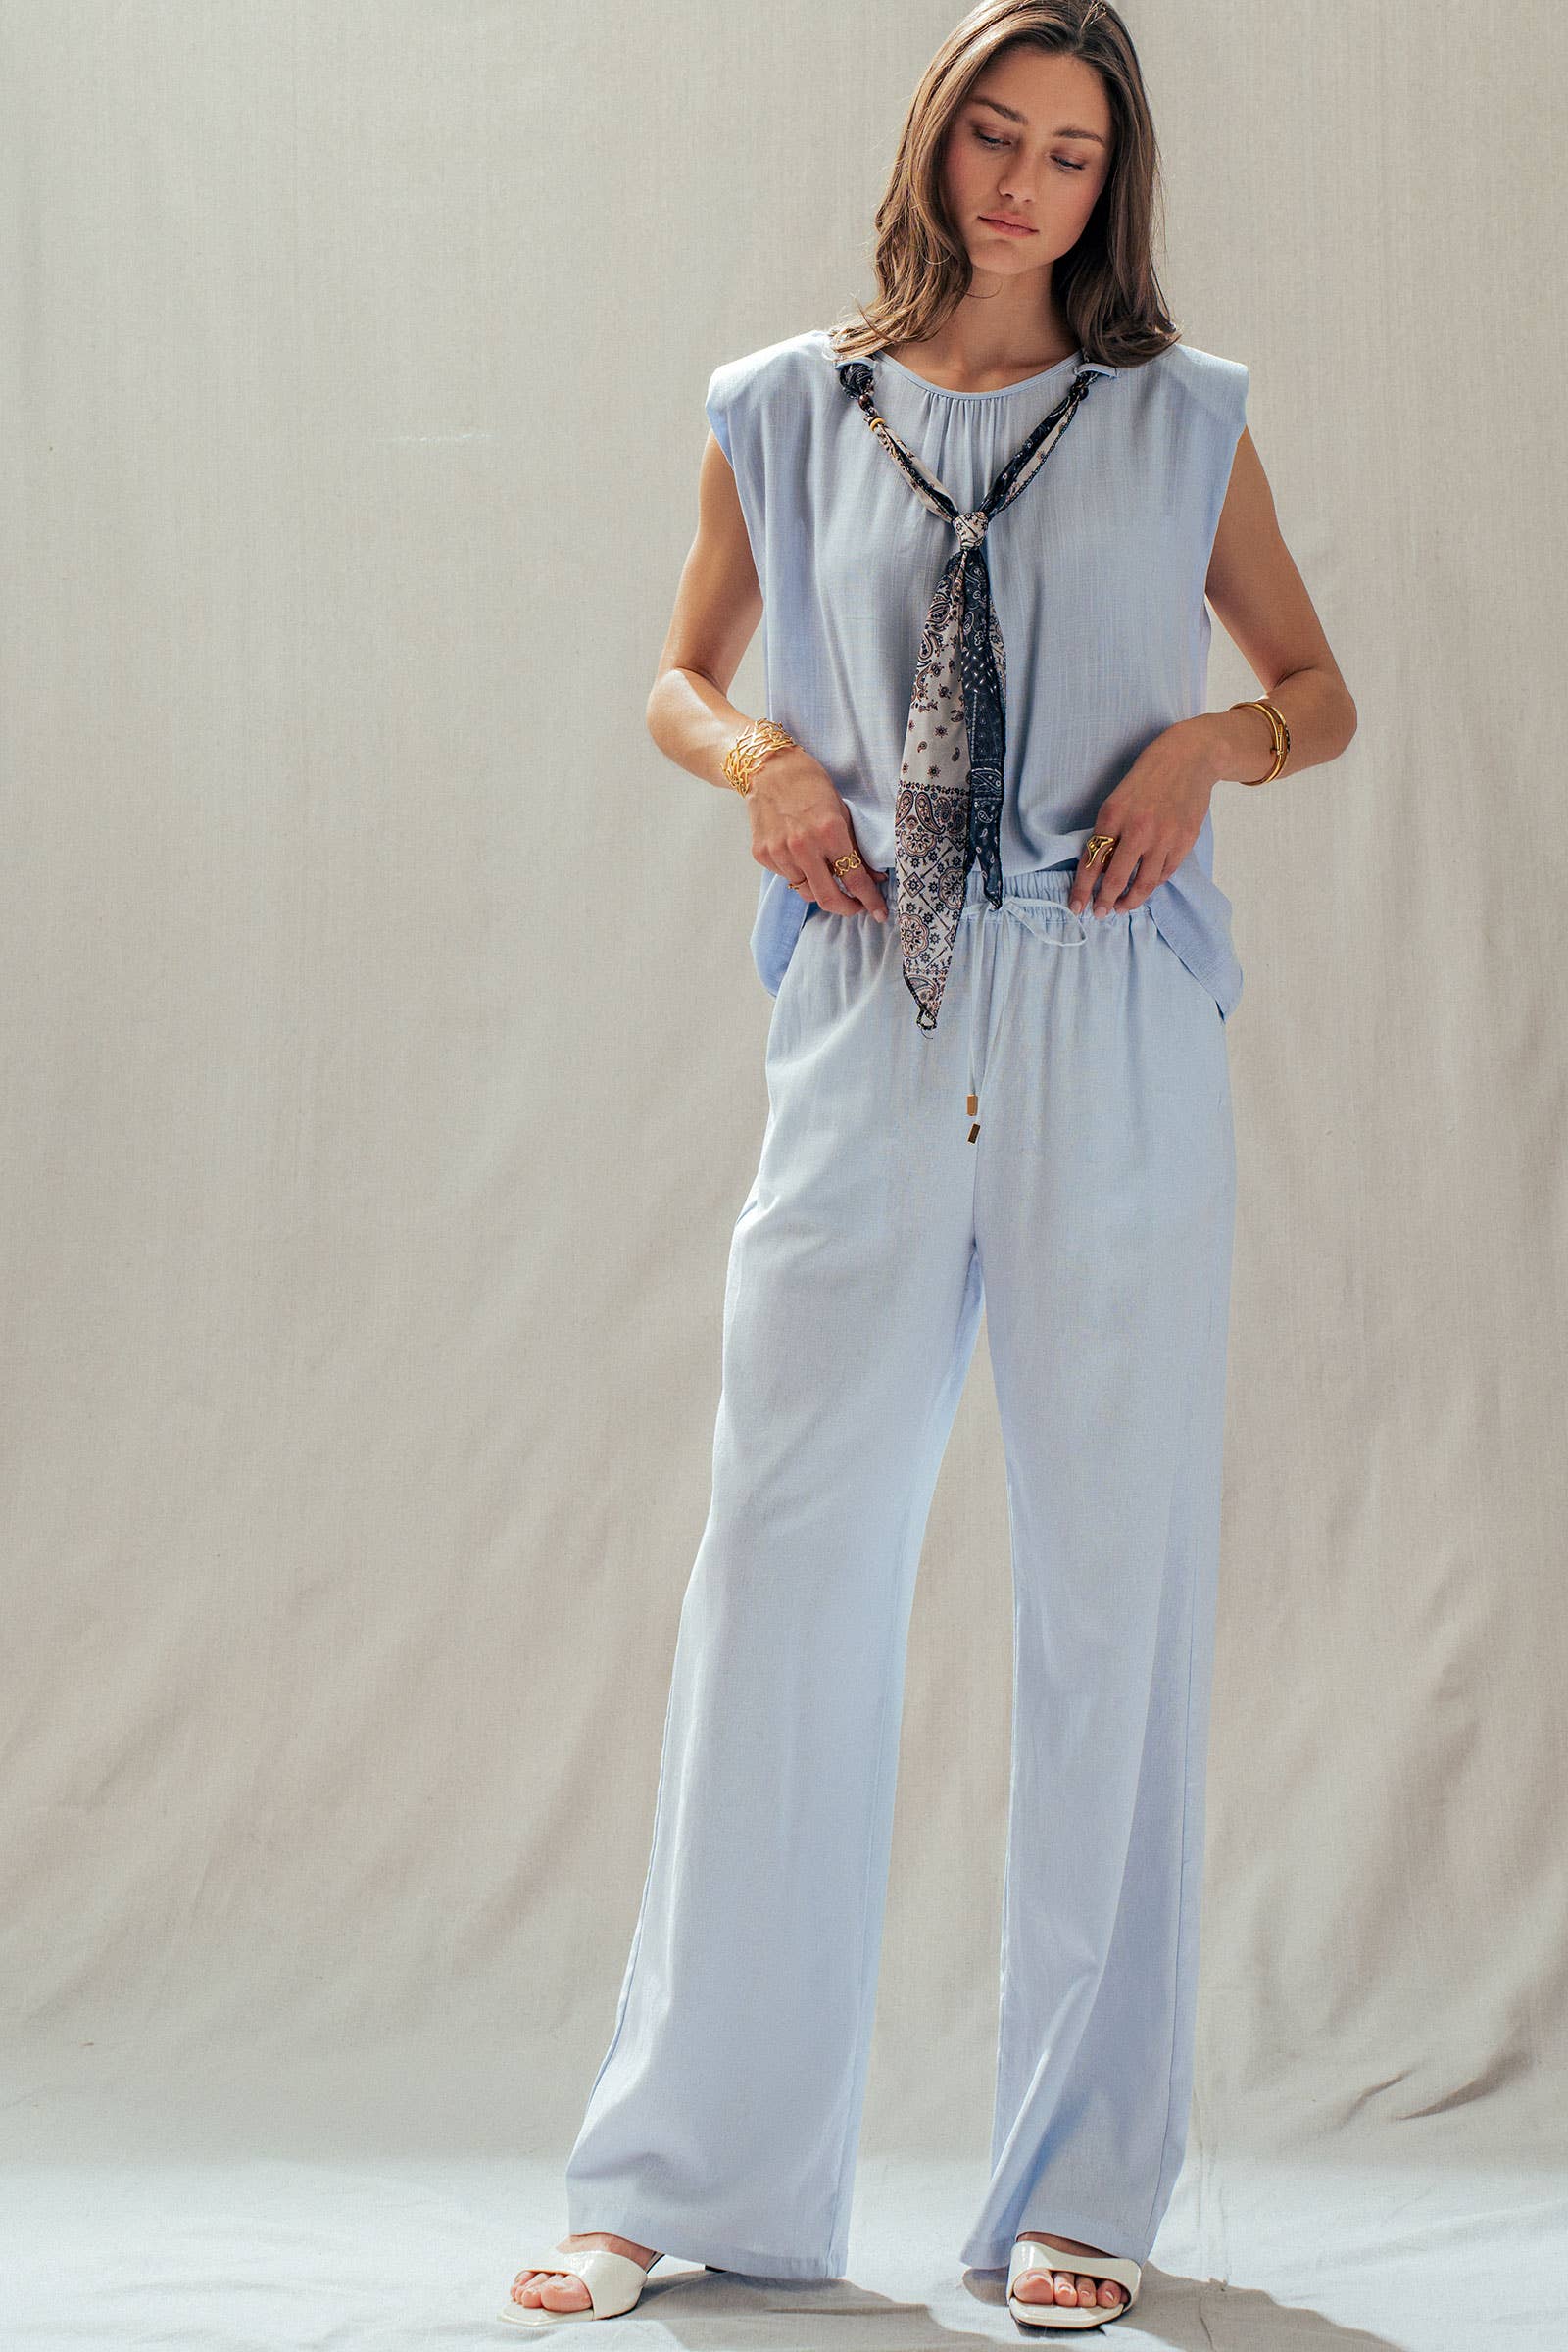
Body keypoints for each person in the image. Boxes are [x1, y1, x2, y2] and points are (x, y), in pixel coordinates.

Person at [503, 0, 1354, 2331]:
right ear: (931, 140)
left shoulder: (1179, 420)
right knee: (780, 1566)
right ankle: (679, 2173)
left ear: (1110, 185)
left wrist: (1211, 744)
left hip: (1105, 1016)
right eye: (993, 133)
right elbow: (676, 674)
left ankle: (1078, 2189)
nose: (1021, 184)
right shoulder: (783, 407)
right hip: (868, 1015)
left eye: (1070, 153)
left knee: (1108, 1595)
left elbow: (1317, 686)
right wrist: (761, 762)